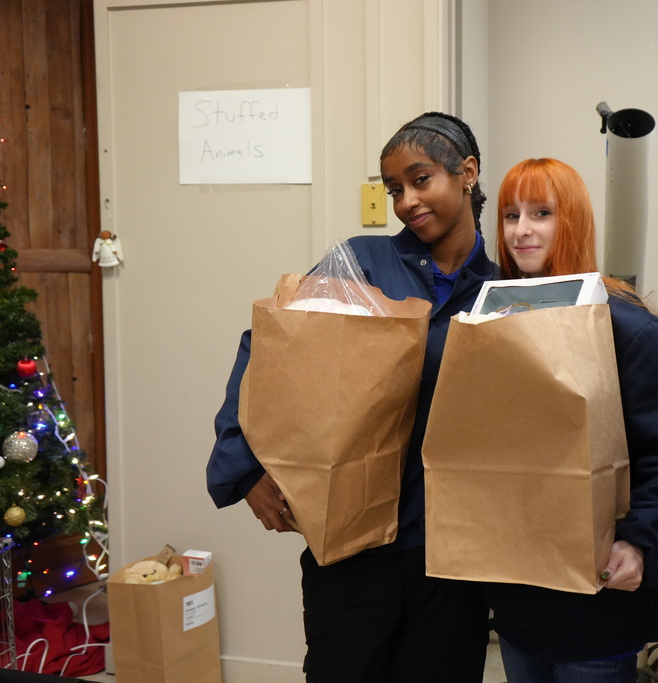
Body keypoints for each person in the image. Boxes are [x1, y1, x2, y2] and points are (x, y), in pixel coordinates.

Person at [206, 112, 496, 683]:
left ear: (467, 173)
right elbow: (269, 350)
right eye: (393, 190)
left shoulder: (504, 284)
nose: (407, 201)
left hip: (454, 548)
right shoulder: (363, 263)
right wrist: (244, 468)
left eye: (420, 180)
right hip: (350, 543)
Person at [486, 158, 658, 683]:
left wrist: (642, 544)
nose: (522, 230)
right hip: (516, 597)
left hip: (597, 605)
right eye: (511, 216)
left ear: (572, 220)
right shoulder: (487, 329)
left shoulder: (627, 329)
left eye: (541, 213)